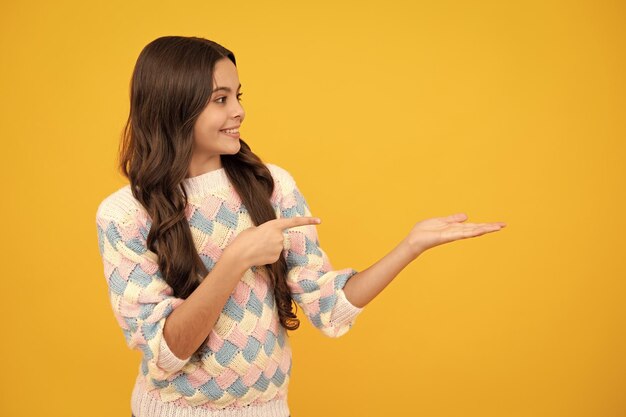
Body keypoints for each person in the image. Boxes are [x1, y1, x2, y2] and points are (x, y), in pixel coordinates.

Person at [95, 35, 507, 417]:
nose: (238, 110)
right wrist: (236, 260)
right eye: (220, 99)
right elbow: (168, 351)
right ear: (174, 107)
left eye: (237, 95)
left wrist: (410, 246)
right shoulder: (124, 215)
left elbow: (327, 307)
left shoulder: (271, 187)